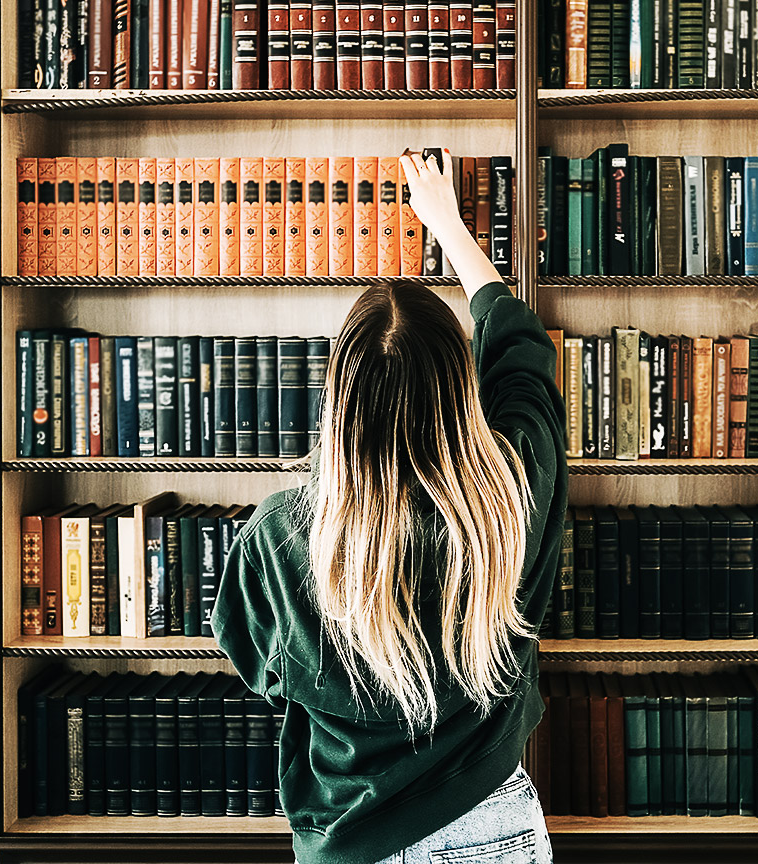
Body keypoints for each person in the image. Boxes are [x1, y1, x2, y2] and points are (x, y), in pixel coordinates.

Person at [212, 151, 566, 864]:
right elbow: (519, 347)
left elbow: (259, 665)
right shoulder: (512, 495)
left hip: (351, 839)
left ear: (339, 399)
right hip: (493, 828)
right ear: (461, 389)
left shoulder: (281, 537)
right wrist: (449, 227)